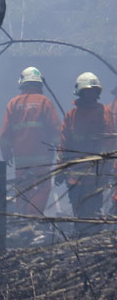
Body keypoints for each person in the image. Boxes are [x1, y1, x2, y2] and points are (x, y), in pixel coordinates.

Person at [0, 67, 61, 216]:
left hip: (22, 160)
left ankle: (23, 218)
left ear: (22, 84)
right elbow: (56, 131)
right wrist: (60, 153)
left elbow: (5, 133)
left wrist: (6, 154)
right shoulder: (45, 102)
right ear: (39, 85)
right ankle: (33, 217)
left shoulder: (13, 104)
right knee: (42, 187)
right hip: (43, 159)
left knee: (22, 188)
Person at [55, 72, 115, 225]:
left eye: (93, 91)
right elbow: (64, 145)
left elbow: (109, 142)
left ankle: (90, 239)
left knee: (93, 212)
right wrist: (60, 169)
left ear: (97, 93)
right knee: (79, 213)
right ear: (81, 92)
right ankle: (81, 239)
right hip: (75, 178)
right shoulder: (71, 115)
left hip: (97, 176)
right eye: (88, 91)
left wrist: (108, 168)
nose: (91, 94)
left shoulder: (104, 112)